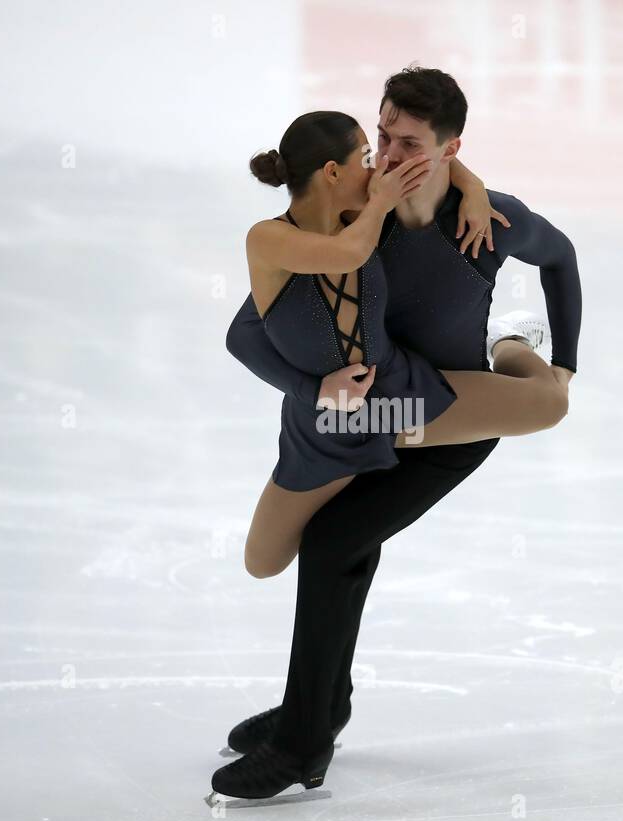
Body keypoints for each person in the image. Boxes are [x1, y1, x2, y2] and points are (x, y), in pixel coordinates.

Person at [215, 67, 582, 801]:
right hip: (368, 414)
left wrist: (564, 363)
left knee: (334, 544)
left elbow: (562, 257)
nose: (385, 155)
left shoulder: (487, 220)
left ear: (449, 149)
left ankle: (302, 742)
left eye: (407, 142)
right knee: (322, 551)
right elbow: (251, 325)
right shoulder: (361, 221)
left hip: (441, 419)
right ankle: (320, 708)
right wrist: (312, 392)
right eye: (380, 137)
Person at [242, 111, 572, 583]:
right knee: (263, 563)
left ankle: (506, 339)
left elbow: (431, 159)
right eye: (366, 157)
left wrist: (470, 183)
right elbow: (340, 260)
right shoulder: (271, 239)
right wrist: (311, 390)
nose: (380, 169)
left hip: (397, 401)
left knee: (550, 404)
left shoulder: (362, 215)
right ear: (333, 172)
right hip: (326, 426)